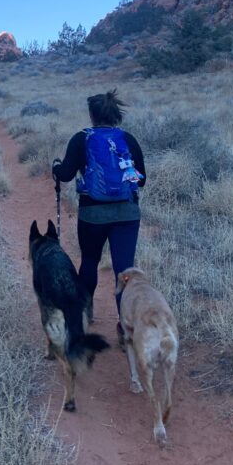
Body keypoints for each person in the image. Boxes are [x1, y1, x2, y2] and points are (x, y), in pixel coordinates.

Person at [52, 90, 146, 332]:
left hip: (92, 214)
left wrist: (56, 167)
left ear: (92, 115)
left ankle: (84, 314)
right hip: (127, 214)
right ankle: (127, 329)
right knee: (124, 271)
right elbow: (141, 180)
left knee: (90, 261)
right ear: (115, 114)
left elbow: (65, 174)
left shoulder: (81, 138)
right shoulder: (129, 139)